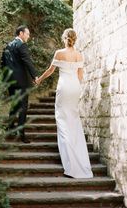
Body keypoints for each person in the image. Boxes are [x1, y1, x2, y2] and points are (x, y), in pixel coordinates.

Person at [36, 28, 93, 178]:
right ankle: (79, 160)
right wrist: (76, 87)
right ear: (75, 39)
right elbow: (80, 75)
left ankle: (71, 165)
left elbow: (50, 71)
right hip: (75, 88)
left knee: (62, 121)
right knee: (73, 121)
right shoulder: (79, 55)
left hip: (64, 87)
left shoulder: (59, 53)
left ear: (64, 38)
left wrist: (39, 79)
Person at [1, 25, 38, 143]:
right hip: (21, 81)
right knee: (22, 107)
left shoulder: (8, 45)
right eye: (27, 34)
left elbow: (2, 64)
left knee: (15, 104)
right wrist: (35, 76)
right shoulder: (21, 45)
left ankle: (10, 126)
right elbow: (27, 61)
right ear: (21, 33)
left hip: (10, 81)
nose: (28, 36)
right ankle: (21, 133)